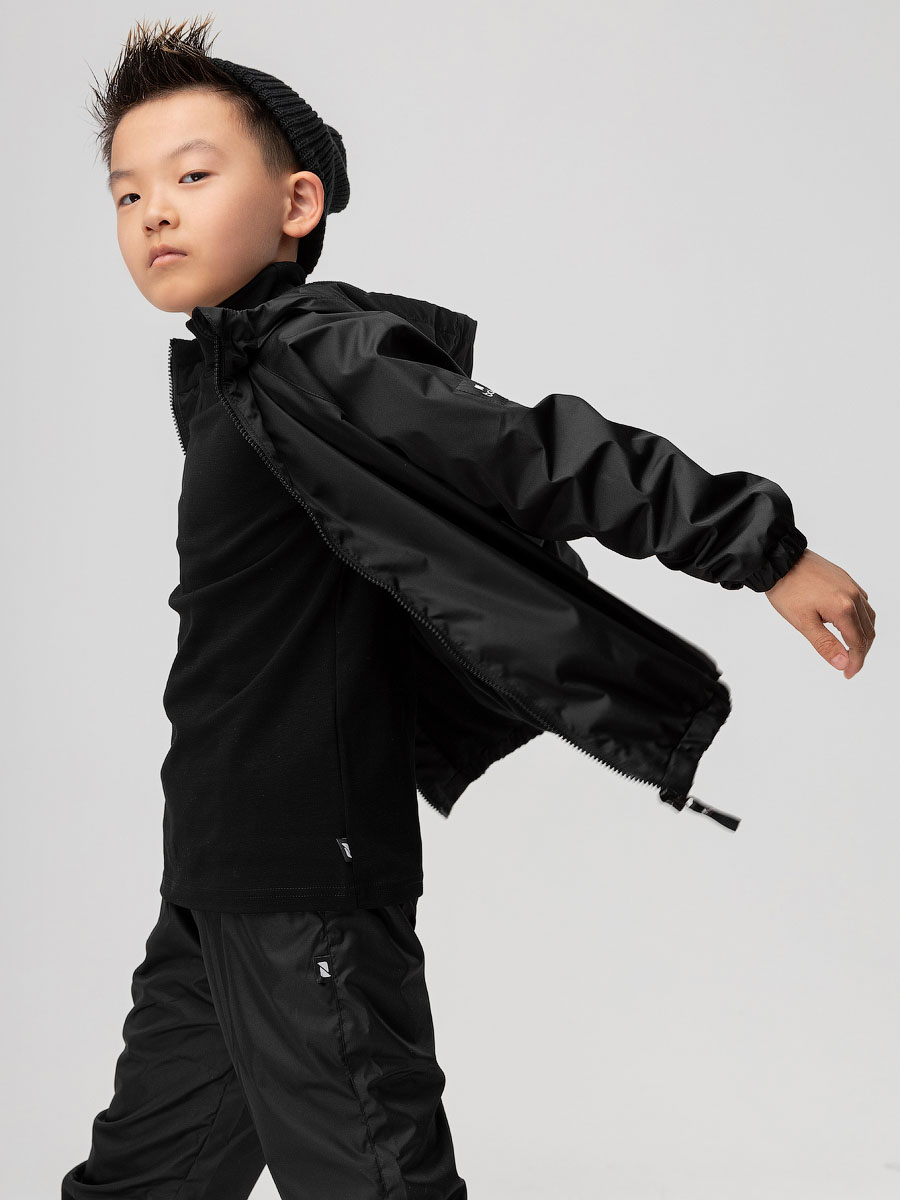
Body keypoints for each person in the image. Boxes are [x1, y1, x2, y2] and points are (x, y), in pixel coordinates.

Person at [61, 14, 875, 1200]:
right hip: (217, 873)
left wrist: (763, 550)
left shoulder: (320, 354)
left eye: (191, 176)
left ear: (295, 204)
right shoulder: (231, 374)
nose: (153, 213)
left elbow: (536, 454)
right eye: (128, 193)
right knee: (143, 1180)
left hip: (308, 878)